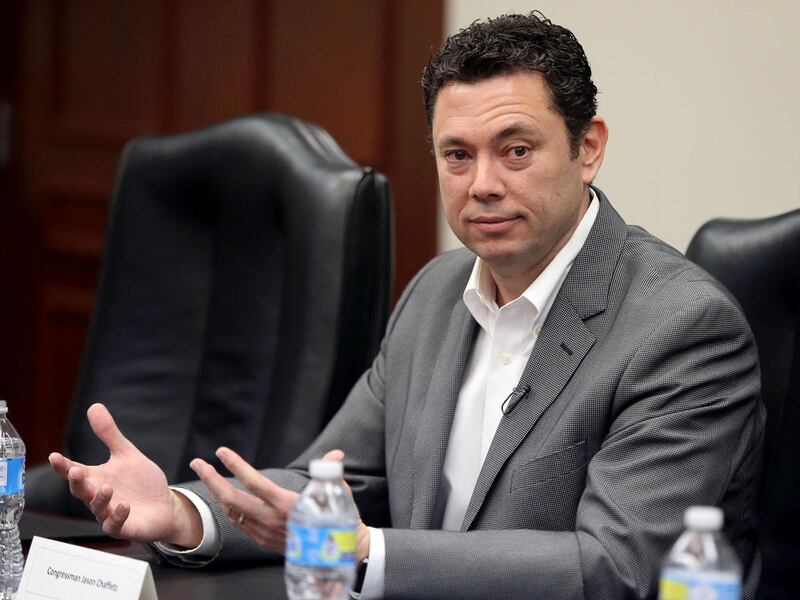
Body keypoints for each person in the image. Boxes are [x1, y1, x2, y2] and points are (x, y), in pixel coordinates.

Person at [49, 12, 765, 600]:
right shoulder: (434, 292)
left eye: (515, 151)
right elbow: (337, 484)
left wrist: (365, 553)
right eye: (457, 155)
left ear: (589, 148)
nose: (481, 183)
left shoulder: (681, 327)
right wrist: (184, 512)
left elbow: (616, 567)